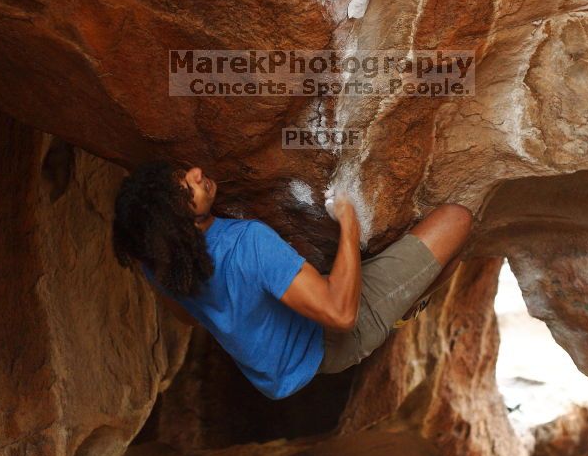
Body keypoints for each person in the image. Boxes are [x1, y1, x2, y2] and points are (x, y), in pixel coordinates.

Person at [112, 161, 473, 399]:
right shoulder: (247, 242)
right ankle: (398, 313)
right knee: (459, 222)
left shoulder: (158, 261)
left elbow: (188, 316)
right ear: (177, 217)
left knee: (447, 260)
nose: (195, 172)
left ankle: (403, 299)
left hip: (279, 367)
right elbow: (341, 315)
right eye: (184, 188)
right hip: (334, 340)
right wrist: (349, 221)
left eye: (183, 172)